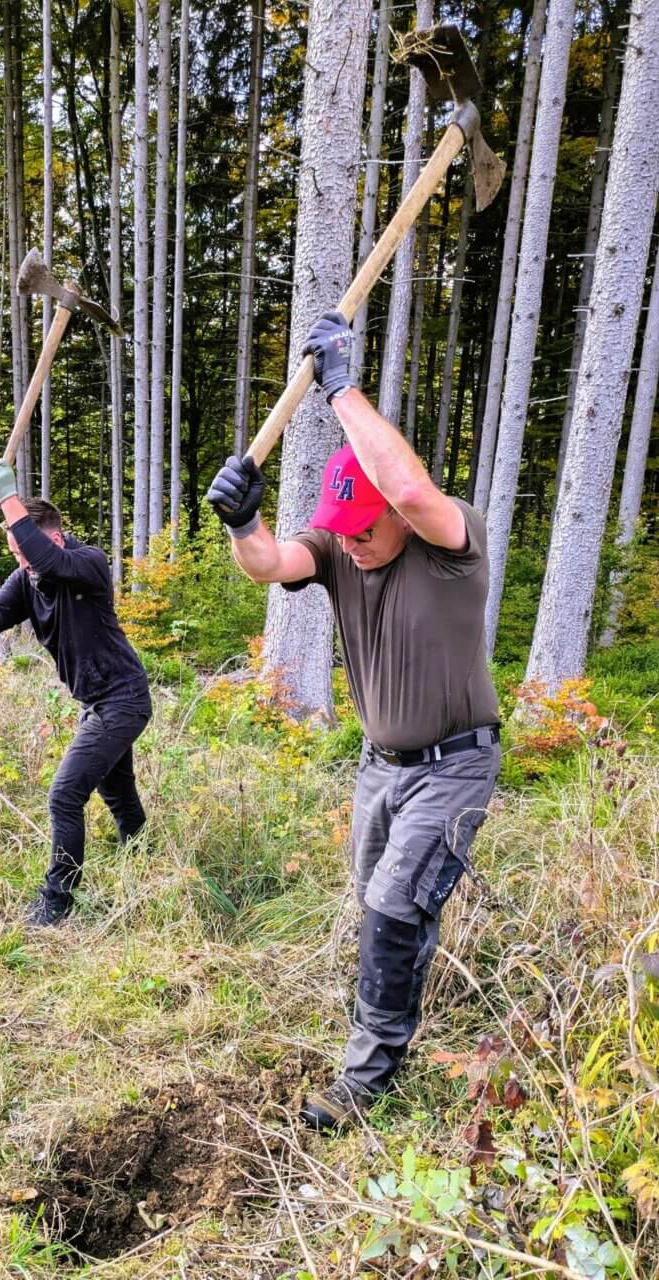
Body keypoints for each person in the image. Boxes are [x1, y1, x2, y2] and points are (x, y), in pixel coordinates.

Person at [206, 312, 501, 1131]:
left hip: (455, 763)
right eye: (346, 530)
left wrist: (340, 387)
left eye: (368, 529)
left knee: (393, 904)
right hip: (380, 767)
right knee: (390, 905)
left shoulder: (452, 540)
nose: (356, 544)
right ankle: (400, 1025)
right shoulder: (342, 548)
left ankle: (367, 1081)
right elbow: (269, 564)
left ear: (402, 516)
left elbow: (406, 487)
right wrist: (243, 523)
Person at [0, 458, 152, 927]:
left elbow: (48, 560)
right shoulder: (28, 579)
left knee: (65, 795)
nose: (23, 563)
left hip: (124, 698)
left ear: (52, 538)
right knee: (117, 790)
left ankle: (56, 903)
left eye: (24, 550)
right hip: (95, 702)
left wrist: (9, 500)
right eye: (14, 555)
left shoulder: (85, 563)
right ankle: (146, 859)